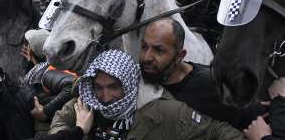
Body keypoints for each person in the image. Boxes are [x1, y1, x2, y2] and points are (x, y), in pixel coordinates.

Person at [47, 49, 245, 140]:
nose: (105, 97)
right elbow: (60, 121)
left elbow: (220, 133)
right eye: (99, 87)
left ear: (130, 84)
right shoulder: (87, 101)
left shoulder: (166, 111)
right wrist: (77, 132)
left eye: (114, 87)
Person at [139, 17, 267, 130]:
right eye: (144, 47)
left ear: (180, 56)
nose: (146, 57)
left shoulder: (209, 86)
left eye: (158, 50)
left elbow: (256, 119)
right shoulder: (138, 76)